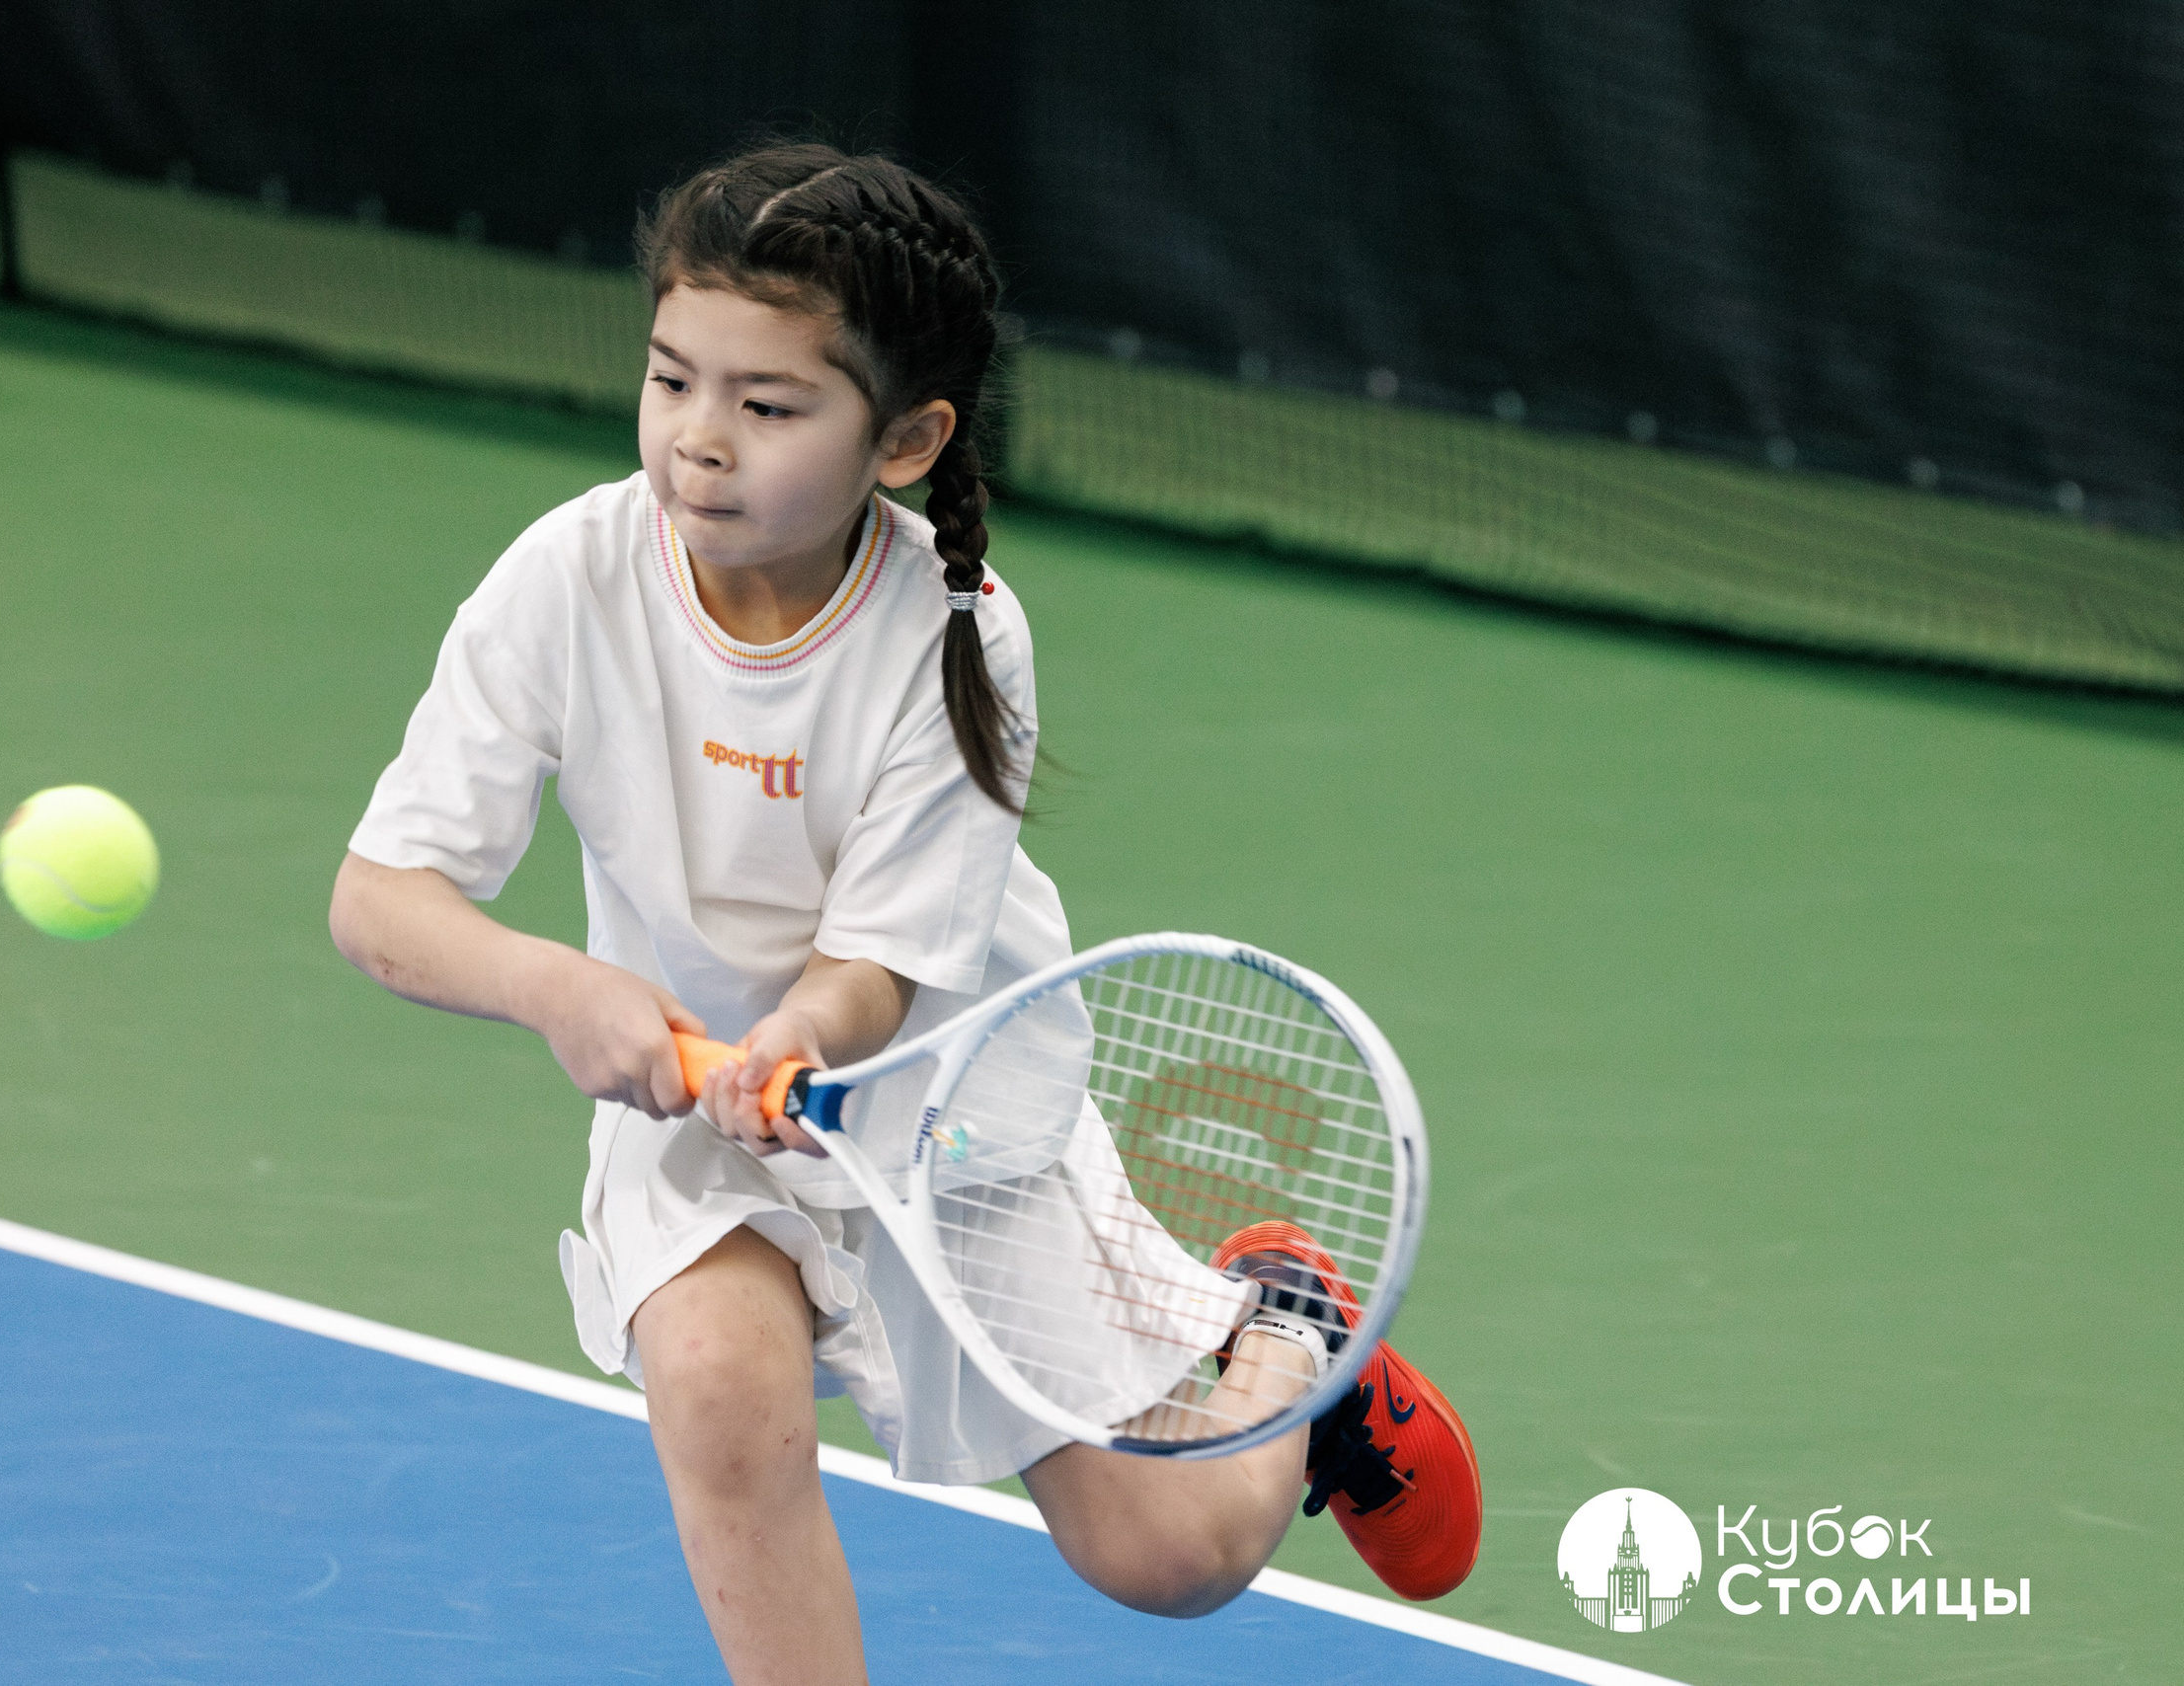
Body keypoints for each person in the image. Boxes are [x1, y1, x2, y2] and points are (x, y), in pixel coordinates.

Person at [329, 142, 1481, 1684]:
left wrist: (790, 1042)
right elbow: (380, 898)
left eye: (769, 403)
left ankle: (1287, 1323)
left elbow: (871, 973)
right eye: (673, 380)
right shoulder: (567, 579)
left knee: (1173, 1559)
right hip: (705, 1121)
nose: (699, 443)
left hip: (952, 1119)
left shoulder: (957, 635)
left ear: (907, 436)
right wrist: (552, 987)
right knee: (719, 1394)